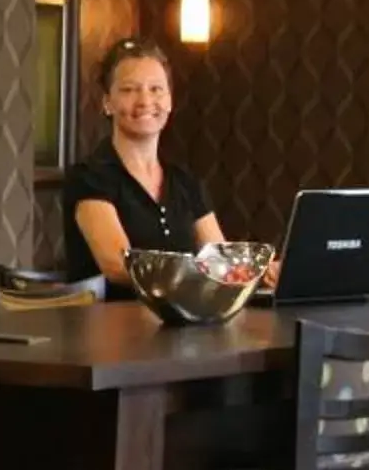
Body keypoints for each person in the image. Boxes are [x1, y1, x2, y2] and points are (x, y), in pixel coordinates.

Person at [60, 36, 274, 290]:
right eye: (129, 90)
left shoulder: (184, 182)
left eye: (156, 89)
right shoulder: (88, 177)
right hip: (109, 322)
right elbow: (118, 265)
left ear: (170, 100)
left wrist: (261, 271)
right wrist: (203, 270)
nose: (144, 101)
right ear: (107, 103)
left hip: (182, 323)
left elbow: (220, 260)